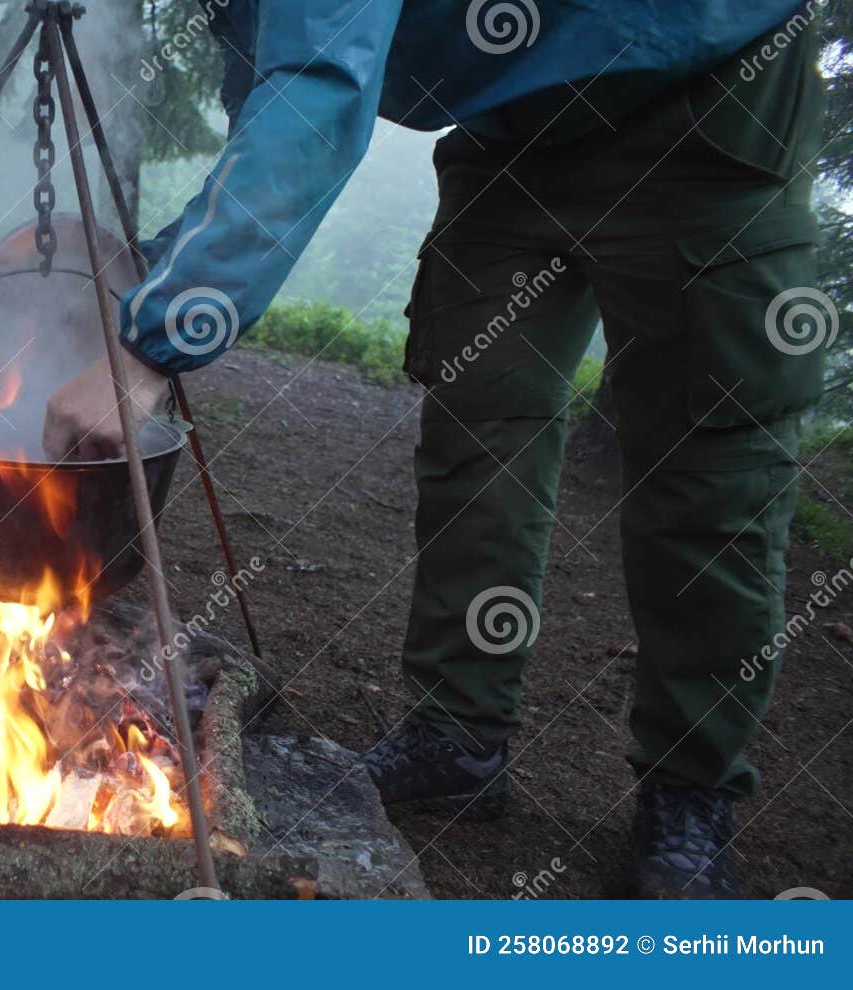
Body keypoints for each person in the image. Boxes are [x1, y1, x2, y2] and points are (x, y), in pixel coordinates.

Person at [42, 0, 831, 898]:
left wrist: (151, 348)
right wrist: (148, 270)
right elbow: (271, 102)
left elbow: (317, 88)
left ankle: (691, 790)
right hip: (516, 118)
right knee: (477, 428)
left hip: (701, 91)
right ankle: (458, 735)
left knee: (709, 461)